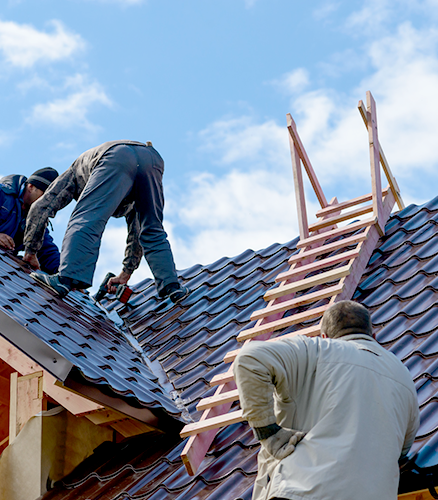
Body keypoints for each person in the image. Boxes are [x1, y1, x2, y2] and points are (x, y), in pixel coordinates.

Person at [233, 300, 420, 500]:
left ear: (325, 336)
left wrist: (268, 432)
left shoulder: (317, 350)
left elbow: (249, 359)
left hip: (301, 491)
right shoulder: (404, 377)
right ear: (373, 337)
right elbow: (402, 448)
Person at [22, 140, 189, 303]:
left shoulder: (73, 174)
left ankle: (65, 280)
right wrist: (126, 274)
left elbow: (41, 207)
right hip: (151, 160)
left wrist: (30, 251)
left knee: (87, 218)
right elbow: (138, 233)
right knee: (153, 229)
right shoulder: (127, 188)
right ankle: (172, 287)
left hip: (117, 156)